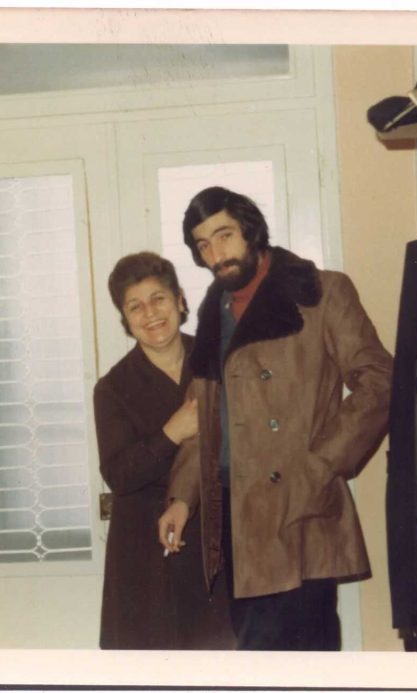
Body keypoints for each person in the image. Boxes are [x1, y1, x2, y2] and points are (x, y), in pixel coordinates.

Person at [158, 187, 393, 651]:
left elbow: (380, 381)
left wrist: (320, 464)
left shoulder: (321, 292)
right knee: (258, 655)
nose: (216, 254)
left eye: (224, 235)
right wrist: (182, 497)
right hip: (234, 513)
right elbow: (203, 414)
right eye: (203, 245)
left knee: (307, 660)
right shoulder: (214, 311)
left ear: (251, 230)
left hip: (300, 506)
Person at [94, 251, 235, 650]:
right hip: (145, 552)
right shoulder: (112, 388)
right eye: (135, 306)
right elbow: (119, 475)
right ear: (125, 320)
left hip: (216, 537)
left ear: (180, 301)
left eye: (158, 298)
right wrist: (172, 432)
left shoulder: (219, 362)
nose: (150, 313)